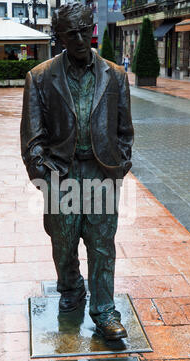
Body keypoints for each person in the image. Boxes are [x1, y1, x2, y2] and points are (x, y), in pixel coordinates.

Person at [21, 2, 134, 340]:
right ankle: (71, 287)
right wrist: (44, 175)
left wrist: (120, 165)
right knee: (64, 243)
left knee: (102, 246)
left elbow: (125, 130)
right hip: (61, 174)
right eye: (73, 33)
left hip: (101, 173)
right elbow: (32, 136)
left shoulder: (115, 75)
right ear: (60, 37)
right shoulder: (40, 77)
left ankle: (104, 311)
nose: (82, 38)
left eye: (86, 30)